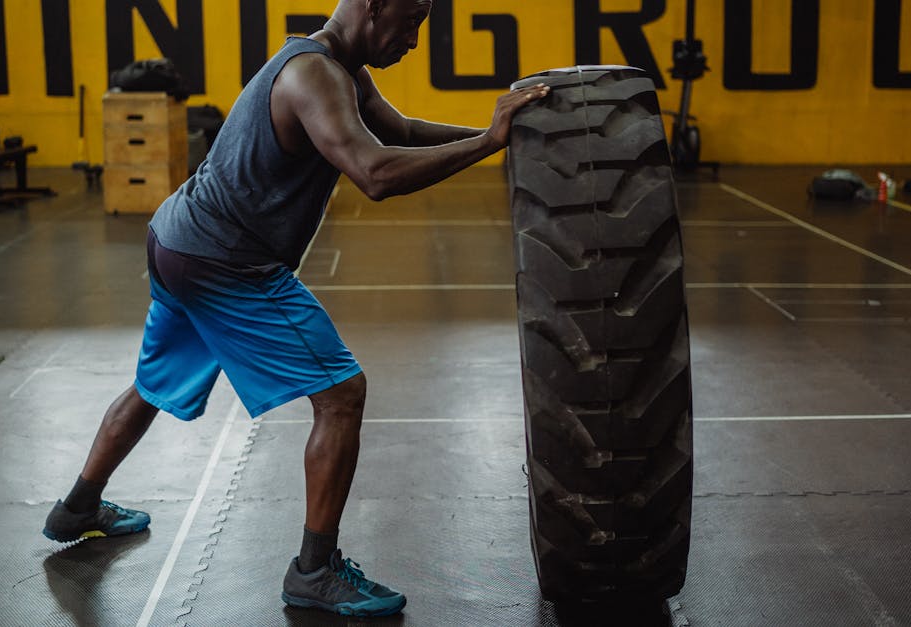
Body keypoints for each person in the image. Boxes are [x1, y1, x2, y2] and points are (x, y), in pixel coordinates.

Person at [42, 0, 548, 617]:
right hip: (224, 261)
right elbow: (375, 173)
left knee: (152, 384)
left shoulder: (340, 68)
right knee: (342, 395)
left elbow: (403, 133)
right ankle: (314, 571)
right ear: (373, 6)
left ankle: (78, 507)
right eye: (412, 20)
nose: (415, 40)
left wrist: (498, 139)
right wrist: (489, 142)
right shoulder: (314, 76)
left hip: (176, 239)